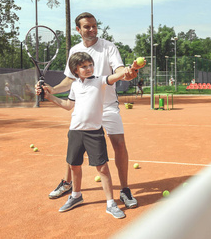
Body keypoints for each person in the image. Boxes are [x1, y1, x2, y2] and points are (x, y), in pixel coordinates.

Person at [39, 12, 145, 209]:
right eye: (87, 26)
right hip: (84, 105)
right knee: (74, 146)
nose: (92, 29)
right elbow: (70, 79)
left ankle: (124, 189)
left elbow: (119, 70)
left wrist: (128, 73)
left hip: (108, 105)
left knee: (119, 144)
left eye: (94, 26)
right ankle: (67, 183)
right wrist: (53, 90)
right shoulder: (75, 50)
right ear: (78, 29)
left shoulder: (108, 47)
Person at [43, 52, 130, 218]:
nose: (89, 68)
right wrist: (49, 96)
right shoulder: (75, 85)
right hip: (75, 131)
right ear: (75, 70)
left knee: (102, 168)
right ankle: (76, 195)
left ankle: (111, 203)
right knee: (74, 166)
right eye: (84, 66)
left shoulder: (99, 81)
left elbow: (113, 77)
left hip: (94, 133)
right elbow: (68, 105)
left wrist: (125, 71)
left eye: (90, 65)